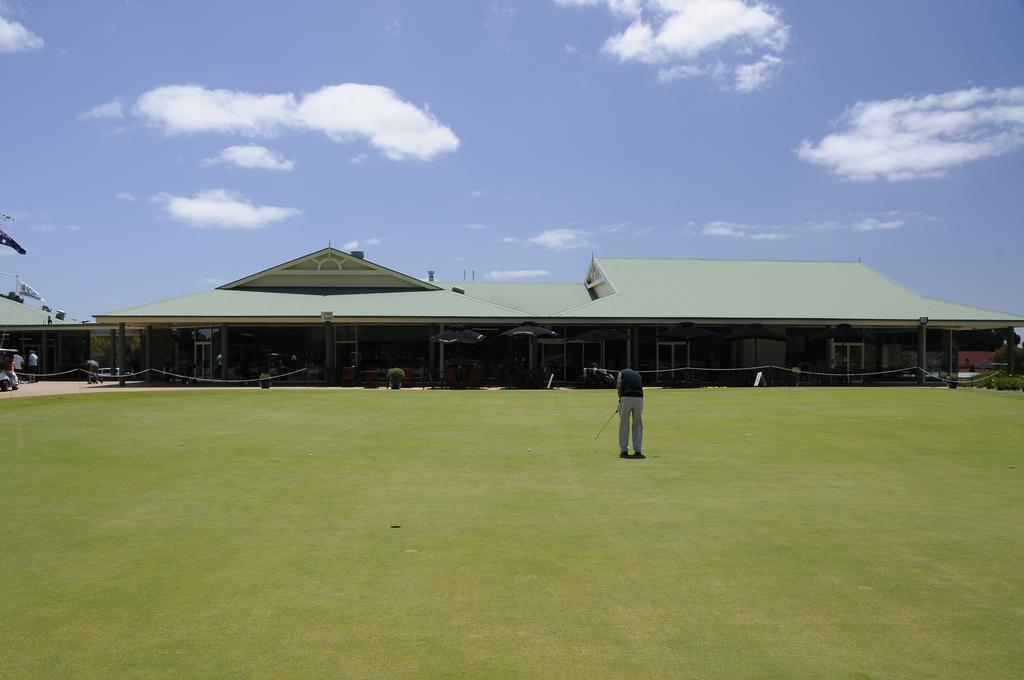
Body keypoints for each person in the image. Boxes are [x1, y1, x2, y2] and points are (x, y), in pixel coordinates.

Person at [616, 366, 644, 459]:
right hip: (639, 398)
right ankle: (638, 450)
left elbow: (619, 388)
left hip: (626, 397)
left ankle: (624, 450)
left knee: (624, 423)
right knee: (637, 423)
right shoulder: (638, 374)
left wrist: (620, 400)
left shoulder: (621, 373)